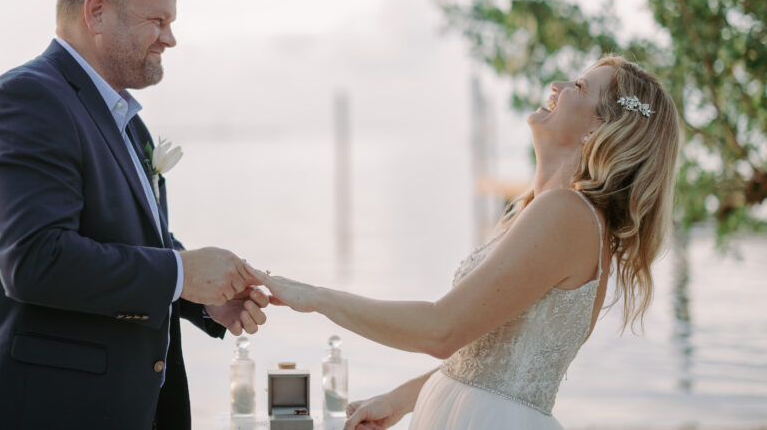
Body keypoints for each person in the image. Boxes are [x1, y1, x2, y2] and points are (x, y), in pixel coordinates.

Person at [0, 0, 269, 430]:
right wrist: (180, 273)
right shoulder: (28, 101)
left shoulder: (126, 122)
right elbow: (36, 260)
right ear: (96, 13)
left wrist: (200, 295)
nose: (169, 38)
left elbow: (122, 242)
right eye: (156, 21)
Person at [254, 55, 681, 429]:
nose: (558, 86)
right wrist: (401, 400)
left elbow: (442, 329)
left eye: (580, 87)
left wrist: (313, 297)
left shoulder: (568, 214)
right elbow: (489, 355)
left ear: (604, 129)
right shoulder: (538, 209)